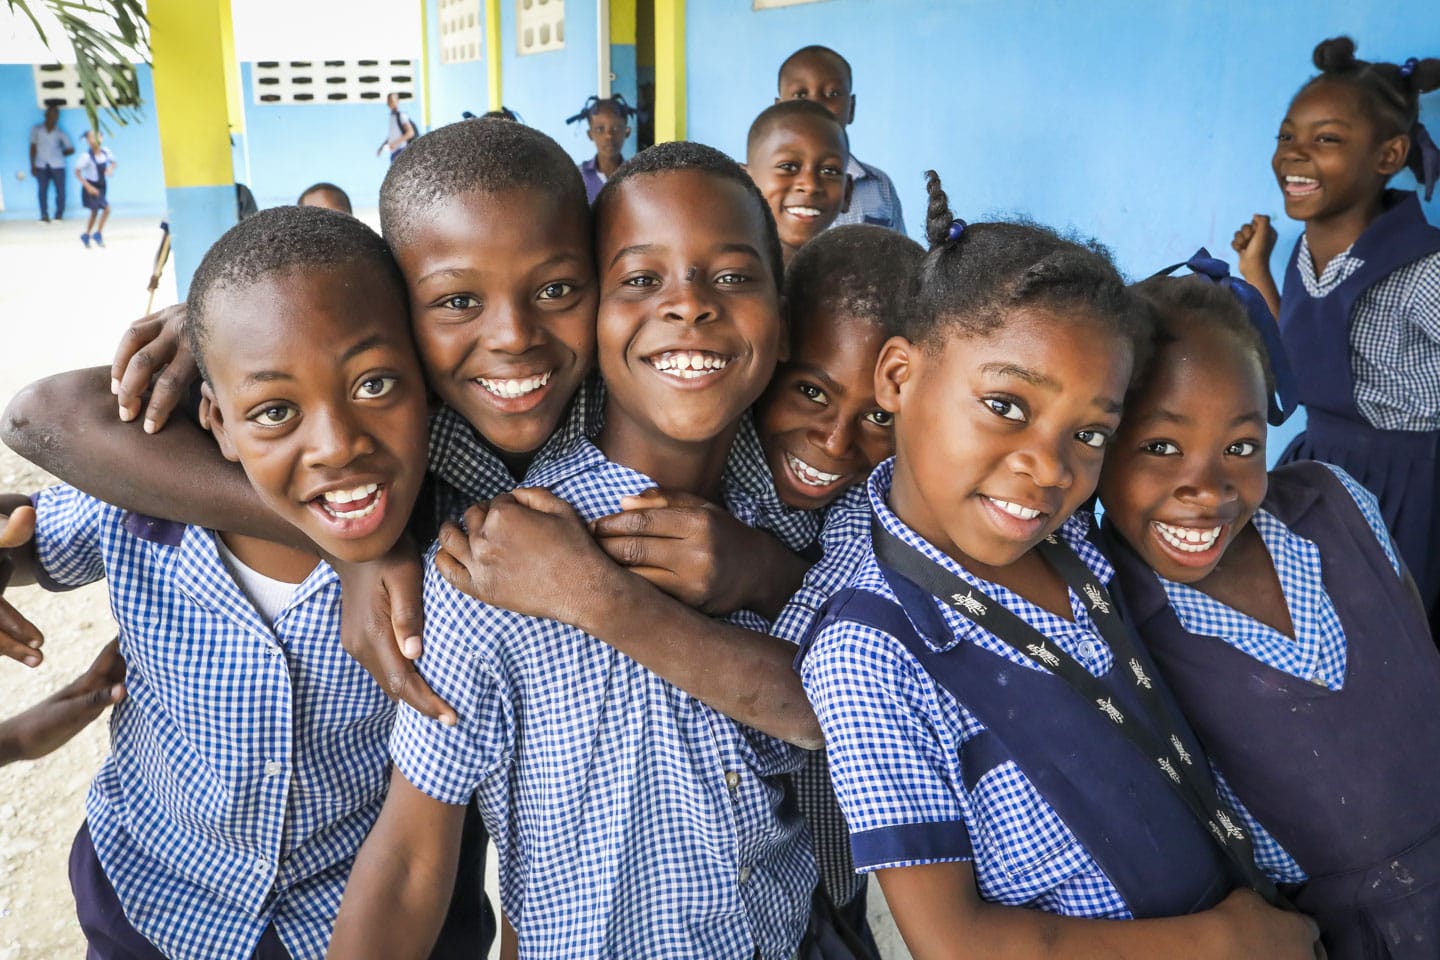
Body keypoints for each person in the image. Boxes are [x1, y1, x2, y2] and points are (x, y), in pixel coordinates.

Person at [796, 172, 1322, 958]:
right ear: (899, 377)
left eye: (1090, 433)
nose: (1048, 469)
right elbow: (955, 943)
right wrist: (1220, 944)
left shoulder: (1069, 544)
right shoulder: (871, 652)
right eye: (1006, 406)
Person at [329, 142, 816, 960]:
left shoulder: (800, 508)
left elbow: (838, 713)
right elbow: (414, 857)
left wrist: (764, 572)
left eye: (733, 277)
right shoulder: (494, 560)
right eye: (640, 279)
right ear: (599, 309)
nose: (690, 307)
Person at [0, 205, 433, 959]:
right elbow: (34, 531)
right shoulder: (143, 502)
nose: (335, 444)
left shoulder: (442, 543)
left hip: (341, 913)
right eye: (273, 409)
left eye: (374, 384)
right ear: (216, 420)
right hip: (150, 895)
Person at [1098, 264, 1440, 959]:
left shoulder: (1334, 501)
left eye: (1241, 447)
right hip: (1347, 936)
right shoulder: (1111, 617)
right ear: (1099, 443)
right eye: (1161, 447)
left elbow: (1415, 654)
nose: (1206, 486)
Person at [1231, 37, 1440, 629]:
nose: (1295, 155)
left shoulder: (1425, 268)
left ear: (1388, 154)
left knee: (1387, 634)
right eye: (1287, 137)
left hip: (1404, 486)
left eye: (1326, 139)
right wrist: (1257, 273)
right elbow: (1299, 350)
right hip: (1319, 467)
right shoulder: (1306, 250)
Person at [777, 45, 904, 235]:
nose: (816, 104)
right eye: (801, 94)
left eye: (832, 94)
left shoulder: (879, 186)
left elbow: (901, 260)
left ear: (851, 108)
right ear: (778, 110)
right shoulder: (762, 186)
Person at [745, 99, 853, 268]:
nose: (810, 185)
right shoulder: (719, 280)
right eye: (788, 167)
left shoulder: (858, 283)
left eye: (829, 171)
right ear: (745, 183)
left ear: (847, 192)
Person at [565, 93, 636, 203]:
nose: (609, 136)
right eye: (600, 129)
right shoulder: (577, 177)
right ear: (590, 134)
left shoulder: (636, 176)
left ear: (627, 132)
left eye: (617, 128)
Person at [30, 104, 74, 223]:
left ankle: (58, 215)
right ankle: (44, 215)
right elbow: (33, 147)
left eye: (55, 115)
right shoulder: (37, 130)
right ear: (46, 115)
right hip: (41, 165)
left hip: (58, 165)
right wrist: (32, 165)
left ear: (57, 117)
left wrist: (60, 153)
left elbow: (71, 148)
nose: (53, 117)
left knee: (60, 191)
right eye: (51, 114)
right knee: (42, 191)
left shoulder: (60, 133)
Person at [76, 130, 116, 249]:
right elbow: (77, 173)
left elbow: (113, 163)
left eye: (97, 136)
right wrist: (88, 187)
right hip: (91, 187)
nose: (95, 139)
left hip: (102, 185)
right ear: (88, 141)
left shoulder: (105, 152)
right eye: (91, 137)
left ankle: (86, 234)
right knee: (107, 209)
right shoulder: (86, 157)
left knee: (94, 212)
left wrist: (110, 169)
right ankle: (97, 233)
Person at [376, 92, 418, 162]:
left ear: (397, 101)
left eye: (392, 100)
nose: (390, 103)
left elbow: (410, 133)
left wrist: (395, 144)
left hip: (401, 150)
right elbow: (391, 136)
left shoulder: (401, 116)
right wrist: (381, 147)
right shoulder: (392, 117)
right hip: (394, 153)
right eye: (389, 101)